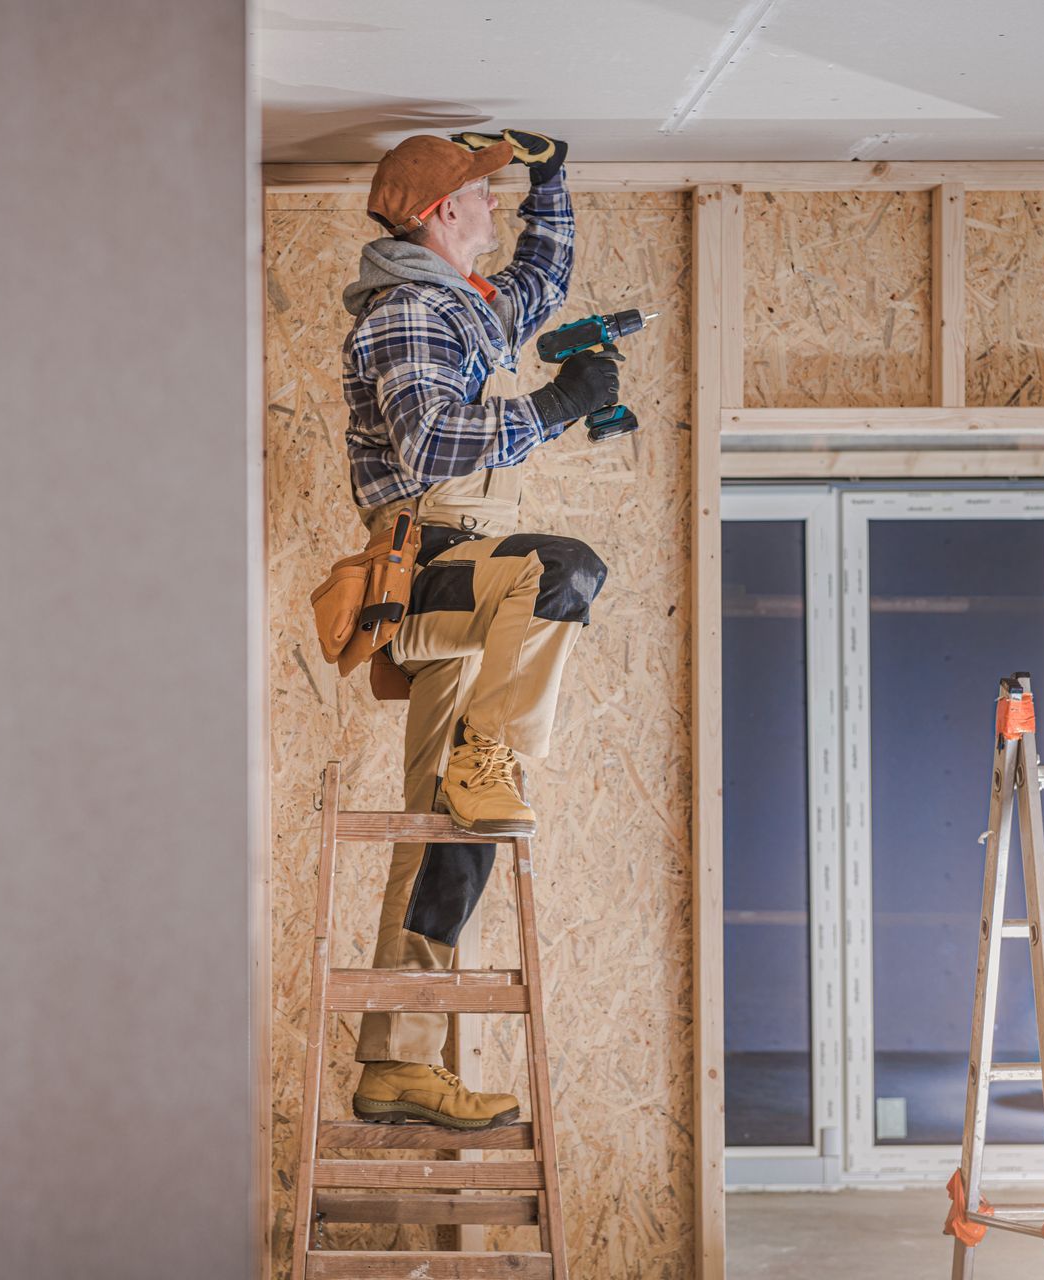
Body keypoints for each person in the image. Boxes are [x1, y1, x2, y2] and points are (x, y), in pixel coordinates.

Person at [337, 129, 619, 1129]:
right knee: (563, 568)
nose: (493, 210)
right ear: (436, 213)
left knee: (452, 837)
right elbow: (429, 443)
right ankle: (492, 751)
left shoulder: (471, 305)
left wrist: (552, 181)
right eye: (483, 197)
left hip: (476, 579)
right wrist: (555, 405)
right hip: (431, 570)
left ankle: (396, 1060)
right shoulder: (408, 312)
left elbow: (541, 278)